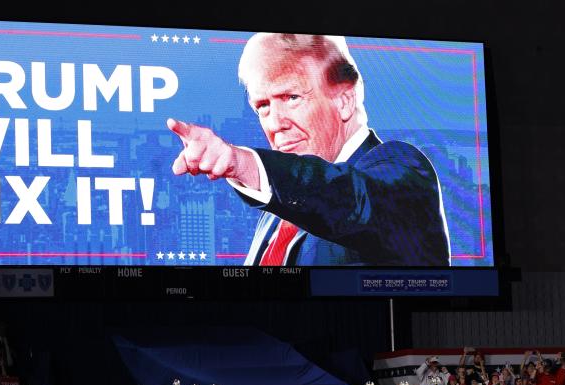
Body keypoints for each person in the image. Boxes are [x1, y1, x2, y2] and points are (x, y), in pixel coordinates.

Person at [167, 32, 450, 266]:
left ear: (345, 101)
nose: (275, 124)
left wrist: (241, 164)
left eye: (291, 97)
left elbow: (349, 200)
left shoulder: (400, 168)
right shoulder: (277, 209)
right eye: (263, 107)